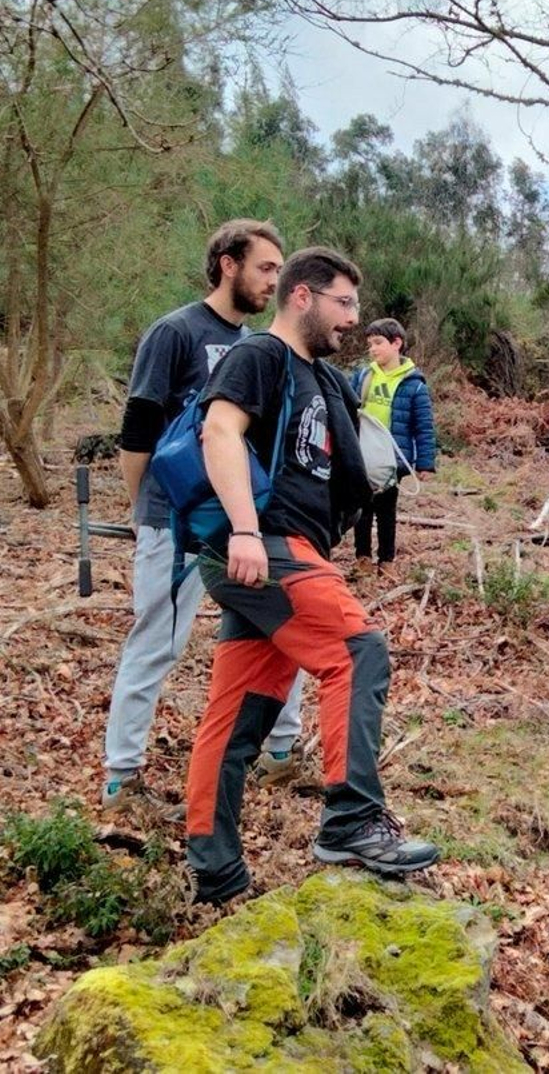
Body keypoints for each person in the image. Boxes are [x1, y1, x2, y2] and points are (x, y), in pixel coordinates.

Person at [184, 246, 439, 904]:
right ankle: (351, 818)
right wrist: (243, 528)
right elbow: (219, 432)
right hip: (261, 545)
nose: (353, 318)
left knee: (242, 712)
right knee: (358, 651)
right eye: (343, 303)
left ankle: (214, 871)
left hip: (296, 552)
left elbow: (355, 468)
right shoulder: (261, 357)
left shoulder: (323, 380)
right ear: (302, 296)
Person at [103, 220, 308, 812]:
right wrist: (149, 509)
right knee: (157, 641)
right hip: (174, 520)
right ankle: (122, 778)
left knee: (280, 622)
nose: (274, 279)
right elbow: (139, 425)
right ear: (227, 263)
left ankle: (281, 753)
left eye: (278, 269)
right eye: (265, 267)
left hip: (241, 521)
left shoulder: (258, 345)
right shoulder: (176, 331)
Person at [350, 317, 436, 566]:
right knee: (362, 509)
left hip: (392, 457)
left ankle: (386, 561)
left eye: (378, 342)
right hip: (363, 454)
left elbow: (424, 426)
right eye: (370, 344)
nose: (373, 349)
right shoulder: (364, 376)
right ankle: (362, 559)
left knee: (386, 511)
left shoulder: (413, 384)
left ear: (396, 343)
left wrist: (425, 463)